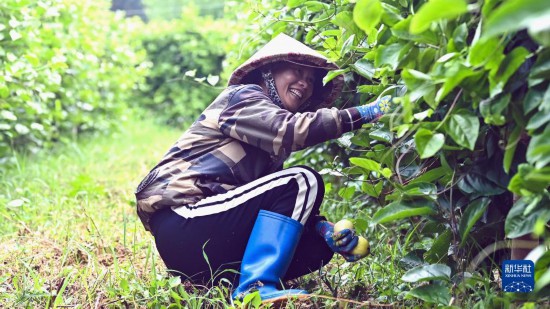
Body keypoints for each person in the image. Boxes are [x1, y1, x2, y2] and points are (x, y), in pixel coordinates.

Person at [134, 33, 396, 301]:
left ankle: (242, 284)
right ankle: (255, 288)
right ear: (269, 71)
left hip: (203, 247)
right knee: (302, 180)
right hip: (184, 221)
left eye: (311, 80)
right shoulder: (243, 96)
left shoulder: (267, 143)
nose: (304, 83)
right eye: (297, 71)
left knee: (316, 248)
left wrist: (324, 231)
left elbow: (265, 204)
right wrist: (371, 112)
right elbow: (292, 130)